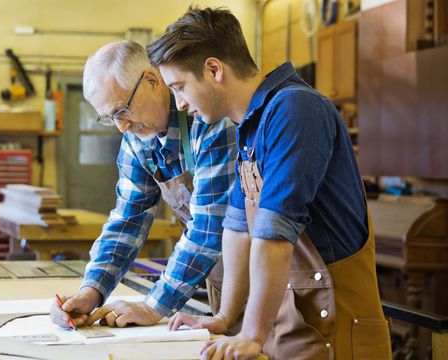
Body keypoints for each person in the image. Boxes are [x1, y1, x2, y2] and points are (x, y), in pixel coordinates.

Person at [147, 6, 391, 360]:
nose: (180, 104)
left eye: (180, 87)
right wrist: (226, 317)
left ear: (214, 69)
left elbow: (273, 234)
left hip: (339, 334)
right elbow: (236, 230)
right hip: (300, 327)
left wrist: (251, 333)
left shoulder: (294, 110)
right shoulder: (250, 126)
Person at [50, 40, 237, 330]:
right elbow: (128, 219)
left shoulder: (208, 120)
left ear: (151, 81)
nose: (122, 127)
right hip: (221, 280)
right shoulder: (137, 140)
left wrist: (152, 307)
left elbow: (208, 226)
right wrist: (92, 291)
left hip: (272, 279)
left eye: (122, 110)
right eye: (109, 118)